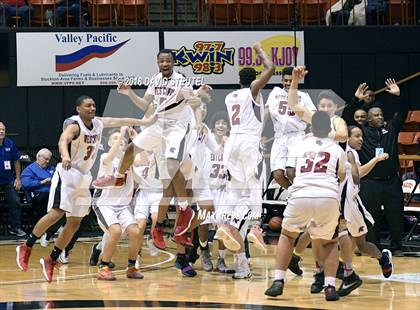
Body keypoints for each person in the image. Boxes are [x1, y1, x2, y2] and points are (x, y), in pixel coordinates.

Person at [16, 95, 156, 283]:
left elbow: (120, 119)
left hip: (83, 176)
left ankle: (52, 259)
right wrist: (65, 156)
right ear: (78, 109)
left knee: (74, 222)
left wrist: (144, 121)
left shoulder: (97, 123)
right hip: (68, 171)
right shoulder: (75, 125)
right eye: (88, 105)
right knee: (57, 212)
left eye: (94, 105)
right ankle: (27, 245)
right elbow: (62, 140)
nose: (92, 108)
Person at [265, 111, 346, 301]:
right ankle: (330, 286)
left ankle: (278, 281)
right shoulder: (337, 149)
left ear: (311, 128)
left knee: (287, 235)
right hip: (327, 195)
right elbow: (341, 175)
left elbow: (291, 171)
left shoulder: (300, 144)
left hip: (301, 193)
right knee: (329, 242)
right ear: (330, 129)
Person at [215, 42, 274, 279]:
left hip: (232, 143)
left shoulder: (230, 96)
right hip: (249, 142)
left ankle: (226, 224)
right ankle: (257, 227)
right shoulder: (252, 91)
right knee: (253, 185)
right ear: (252, 83)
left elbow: (256, 114)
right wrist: (260, 52)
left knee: (235, 188)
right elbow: (270, 69)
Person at [342, 78, 406, 256]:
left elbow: (402, 113)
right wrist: (356, 100)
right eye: (376, 115)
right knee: (372, 216)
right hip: (370, 182)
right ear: (368, 119)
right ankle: (373, 246)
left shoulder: (391, 129)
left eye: (381, 114)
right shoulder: (362, 132)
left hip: (391, 180)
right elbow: (346, 117)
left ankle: (397, 246)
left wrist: (398, 96)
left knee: (395, 215)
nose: (380, 117)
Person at [93, 126, 143, 280]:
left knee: (135, 232)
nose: (120, 141)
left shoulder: (130, 160)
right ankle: (103, 266)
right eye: (115, 139)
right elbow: (112, 155)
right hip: (104, 204)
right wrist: (121, 134)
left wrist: (135, 140)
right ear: (108, 142)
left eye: (122, 140)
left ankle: (131, 267)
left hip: (122, 205)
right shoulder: (105, 158)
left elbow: (144, 161)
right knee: (115, 231)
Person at [344, 126, 393, 278]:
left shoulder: (352, 153)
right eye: (357, 136)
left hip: (350, 202)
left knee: (361, 244)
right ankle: (340, 270)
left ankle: (383, 259)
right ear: (347, 137)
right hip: (338, 201)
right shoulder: (342, 152)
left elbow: (359, 173)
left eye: (362, 136)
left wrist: (376, 160)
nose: (361, 139)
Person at [21, 148, 57, 245]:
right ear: (38, 157)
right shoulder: (29, 169)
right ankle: (45, 229)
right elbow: (25, 184)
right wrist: (42, 182)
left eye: (49, 159)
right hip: (37, 195)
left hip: (52, 195)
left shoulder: (51, 169)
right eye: (45, 159)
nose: (47, 161)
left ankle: (54, 227)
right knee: (46, 197)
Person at [0, 121, 25, 237]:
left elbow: (16, 161)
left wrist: (18, 179)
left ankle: (15, 228)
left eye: (3, 130)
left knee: (15, 201)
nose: (1, 131)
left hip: (8, 180)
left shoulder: (9, 143)